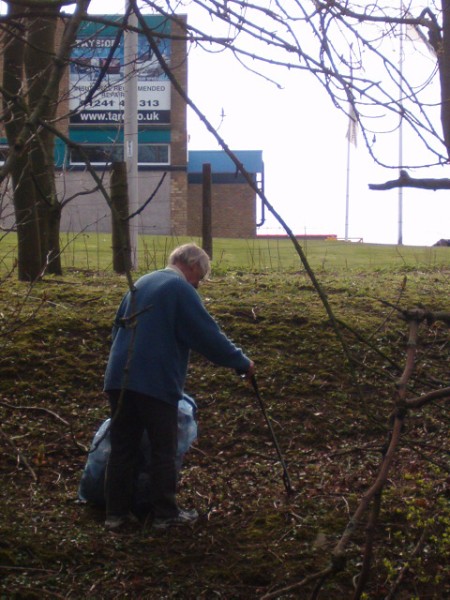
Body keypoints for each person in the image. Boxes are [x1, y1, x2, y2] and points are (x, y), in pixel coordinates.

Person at [103, 243, 255, 532]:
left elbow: (116, 329)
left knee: (123, 446)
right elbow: (206, 334)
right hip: (154, 381)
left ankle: (116, 514)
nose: (198, 285)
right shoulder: (179, 288)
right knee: (164, 448)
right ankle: (165, 515)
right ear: (193, 266)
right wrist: (240, 362)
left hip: (119, 378)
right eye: (200, 278)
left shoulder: (143, 282)